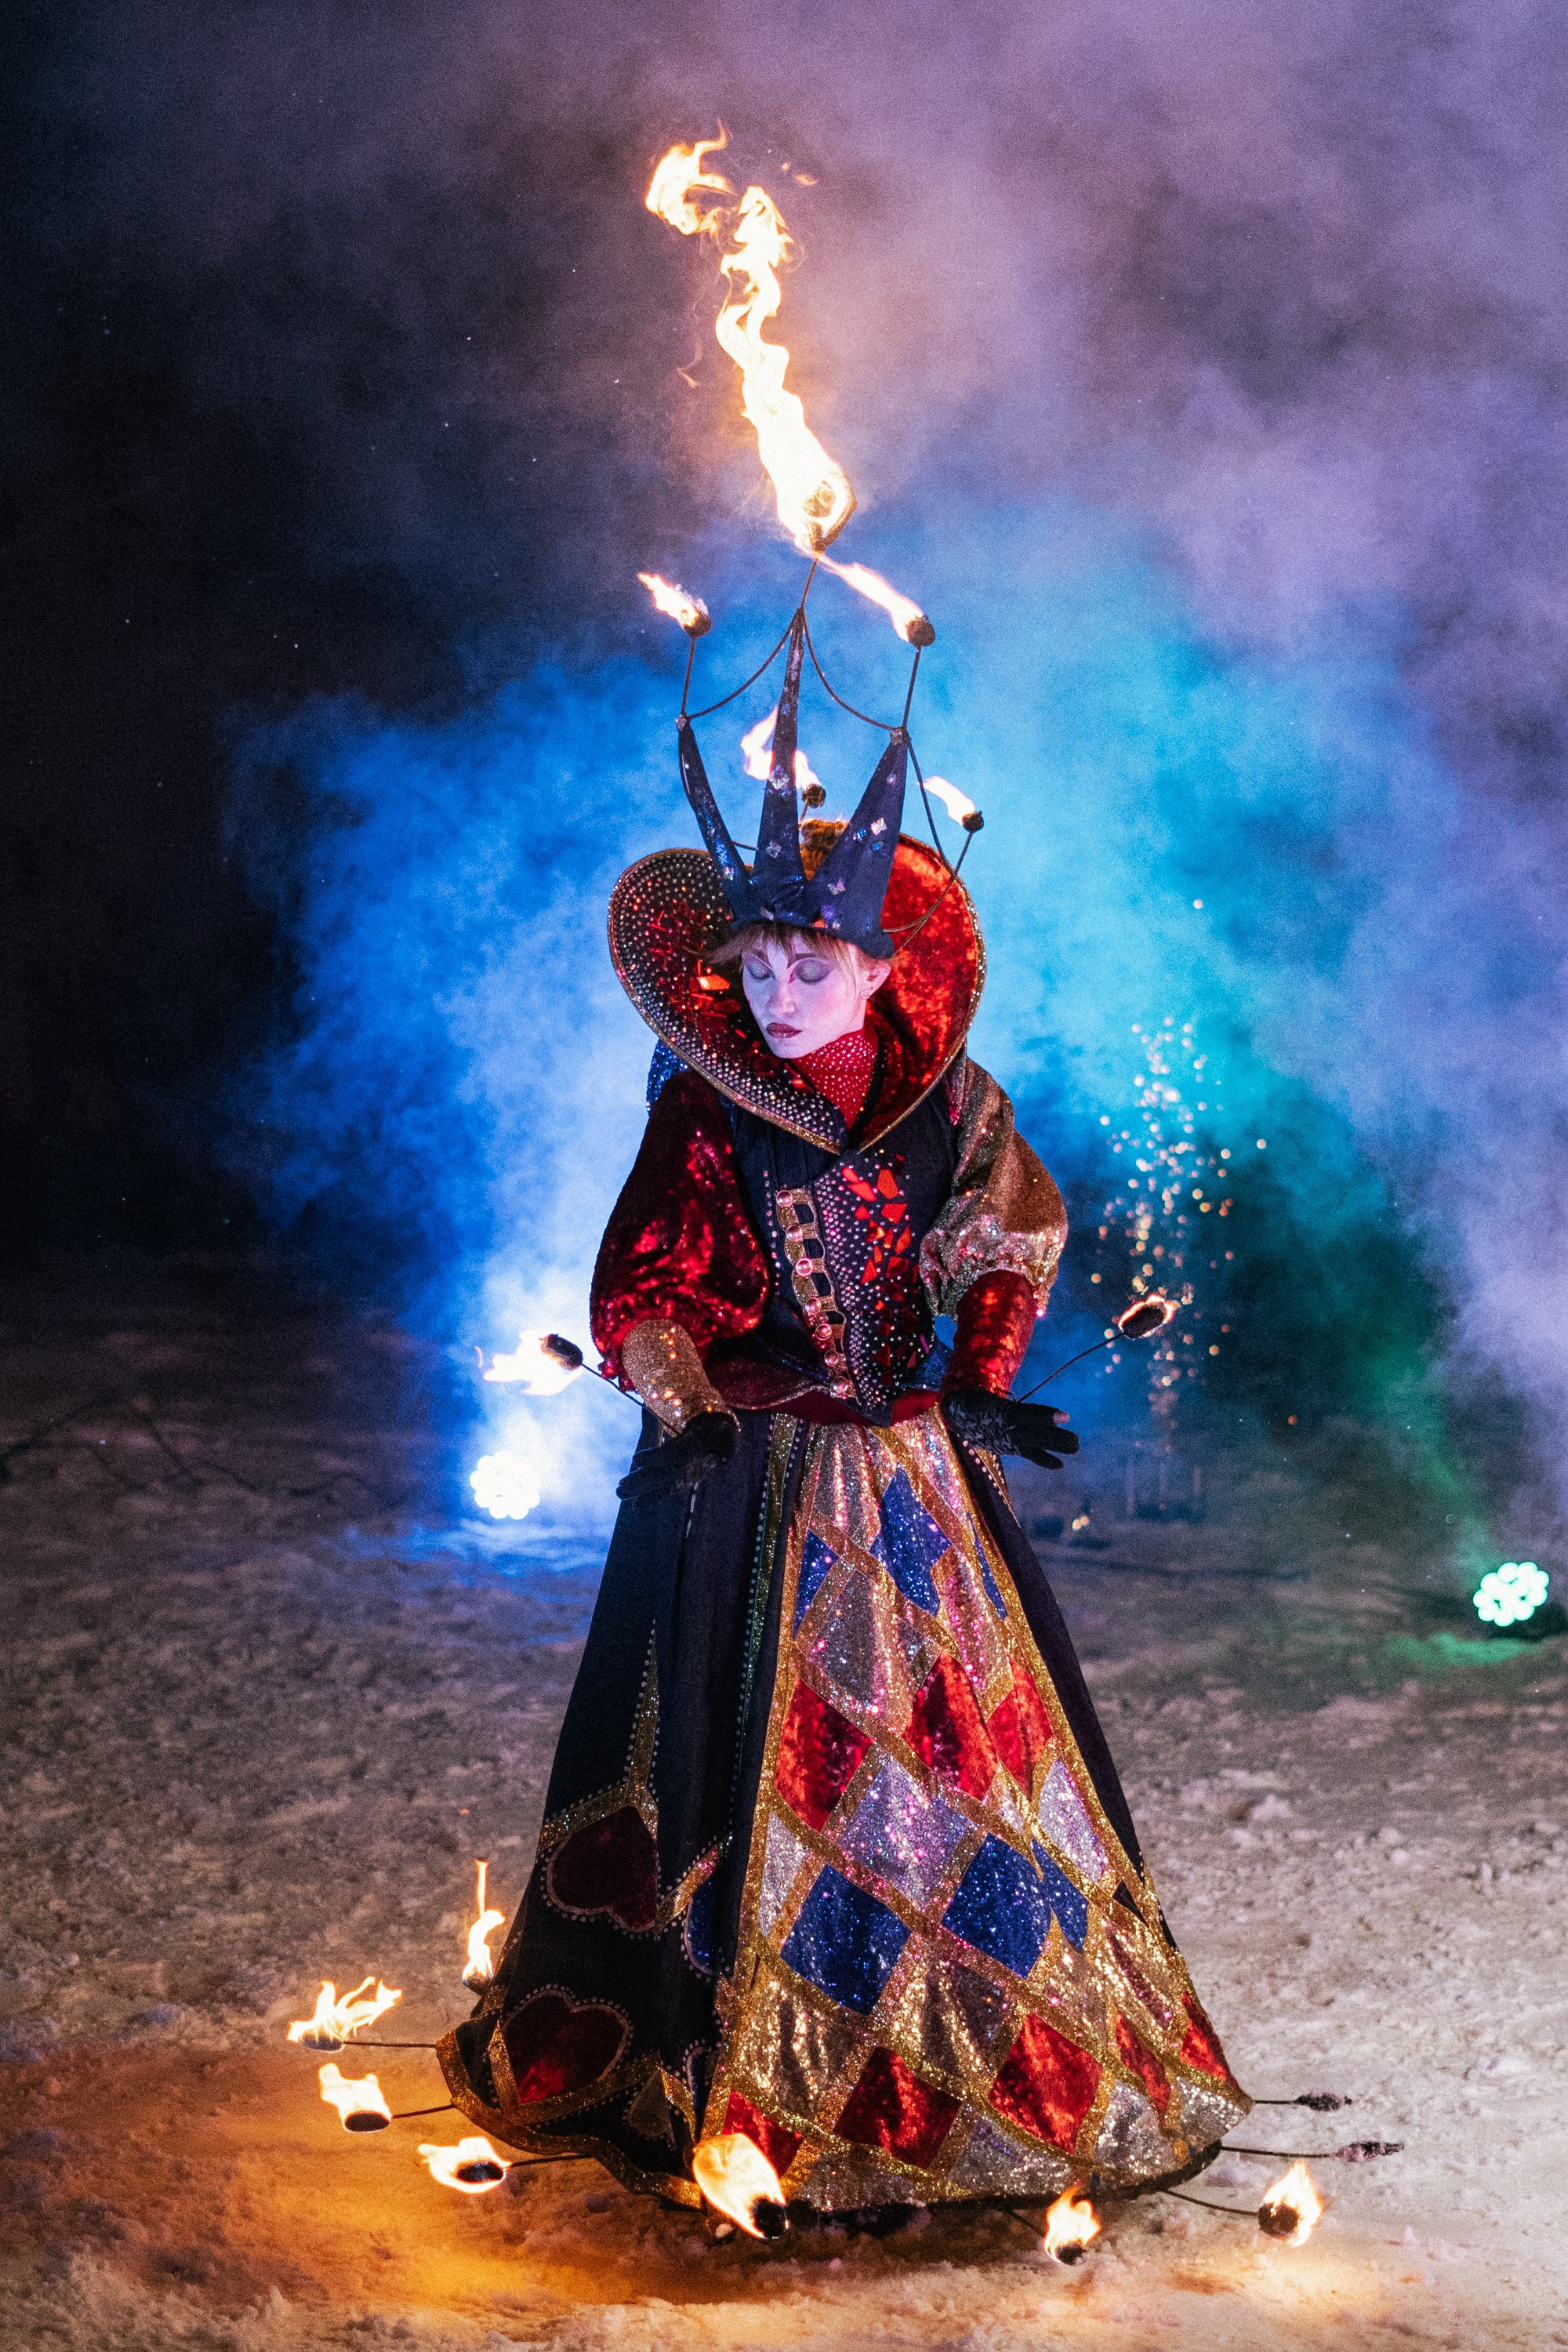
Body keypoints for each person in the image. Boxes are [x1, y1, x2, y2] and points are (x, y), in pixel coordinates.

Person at [439, 616, 1248, 2216]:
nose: (782, 991)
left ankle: (969, 2060)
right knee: (739, 1772)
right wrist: (679, 1391)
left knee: (944, 1768)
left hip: (912, 1481)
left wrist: (982, 1375)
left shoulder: (948, 1101)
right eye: (756, 966)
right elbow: (640, 1290)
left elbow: (1012, 1224)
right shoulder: (706, 1106)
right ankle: (729, 2076)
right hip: (745, 1480)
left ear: (886, 966)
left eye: (816, 964)